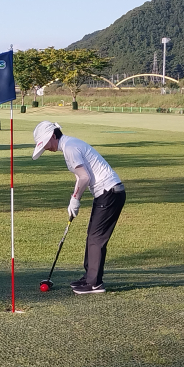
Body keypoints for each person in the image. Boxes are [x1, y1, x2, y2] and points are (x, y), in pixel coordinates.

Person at [32, 121, 126, 295]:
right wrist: (73, 199)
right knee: (92, 235)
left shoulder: (69, 147)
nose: (46, 148)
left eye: (45, 144)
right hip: (107, 193)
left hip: (109, 192)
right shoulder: (70, 144)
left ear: (53, 135)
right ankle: (89, 277)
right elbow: (81, 176)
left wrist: (75, 200)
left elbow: (84, 178)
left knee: (96, 238)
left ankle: (94, 284)